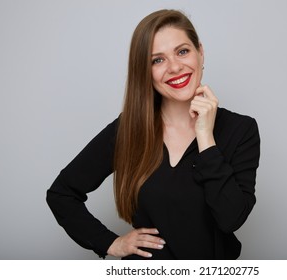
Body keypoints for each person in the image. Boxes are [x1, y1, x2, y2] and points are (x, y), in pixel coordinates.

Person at [46, 9, 260, 260]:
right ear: (145, 71)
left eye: (182, 51)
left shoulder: (241, 130)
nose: (175, 67)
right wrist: (109, 243)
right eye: (157, 60)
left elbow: (230, 219)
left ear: (200, 52)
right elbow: (61, 193)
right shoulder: (129, 129)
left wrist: (205, 136)